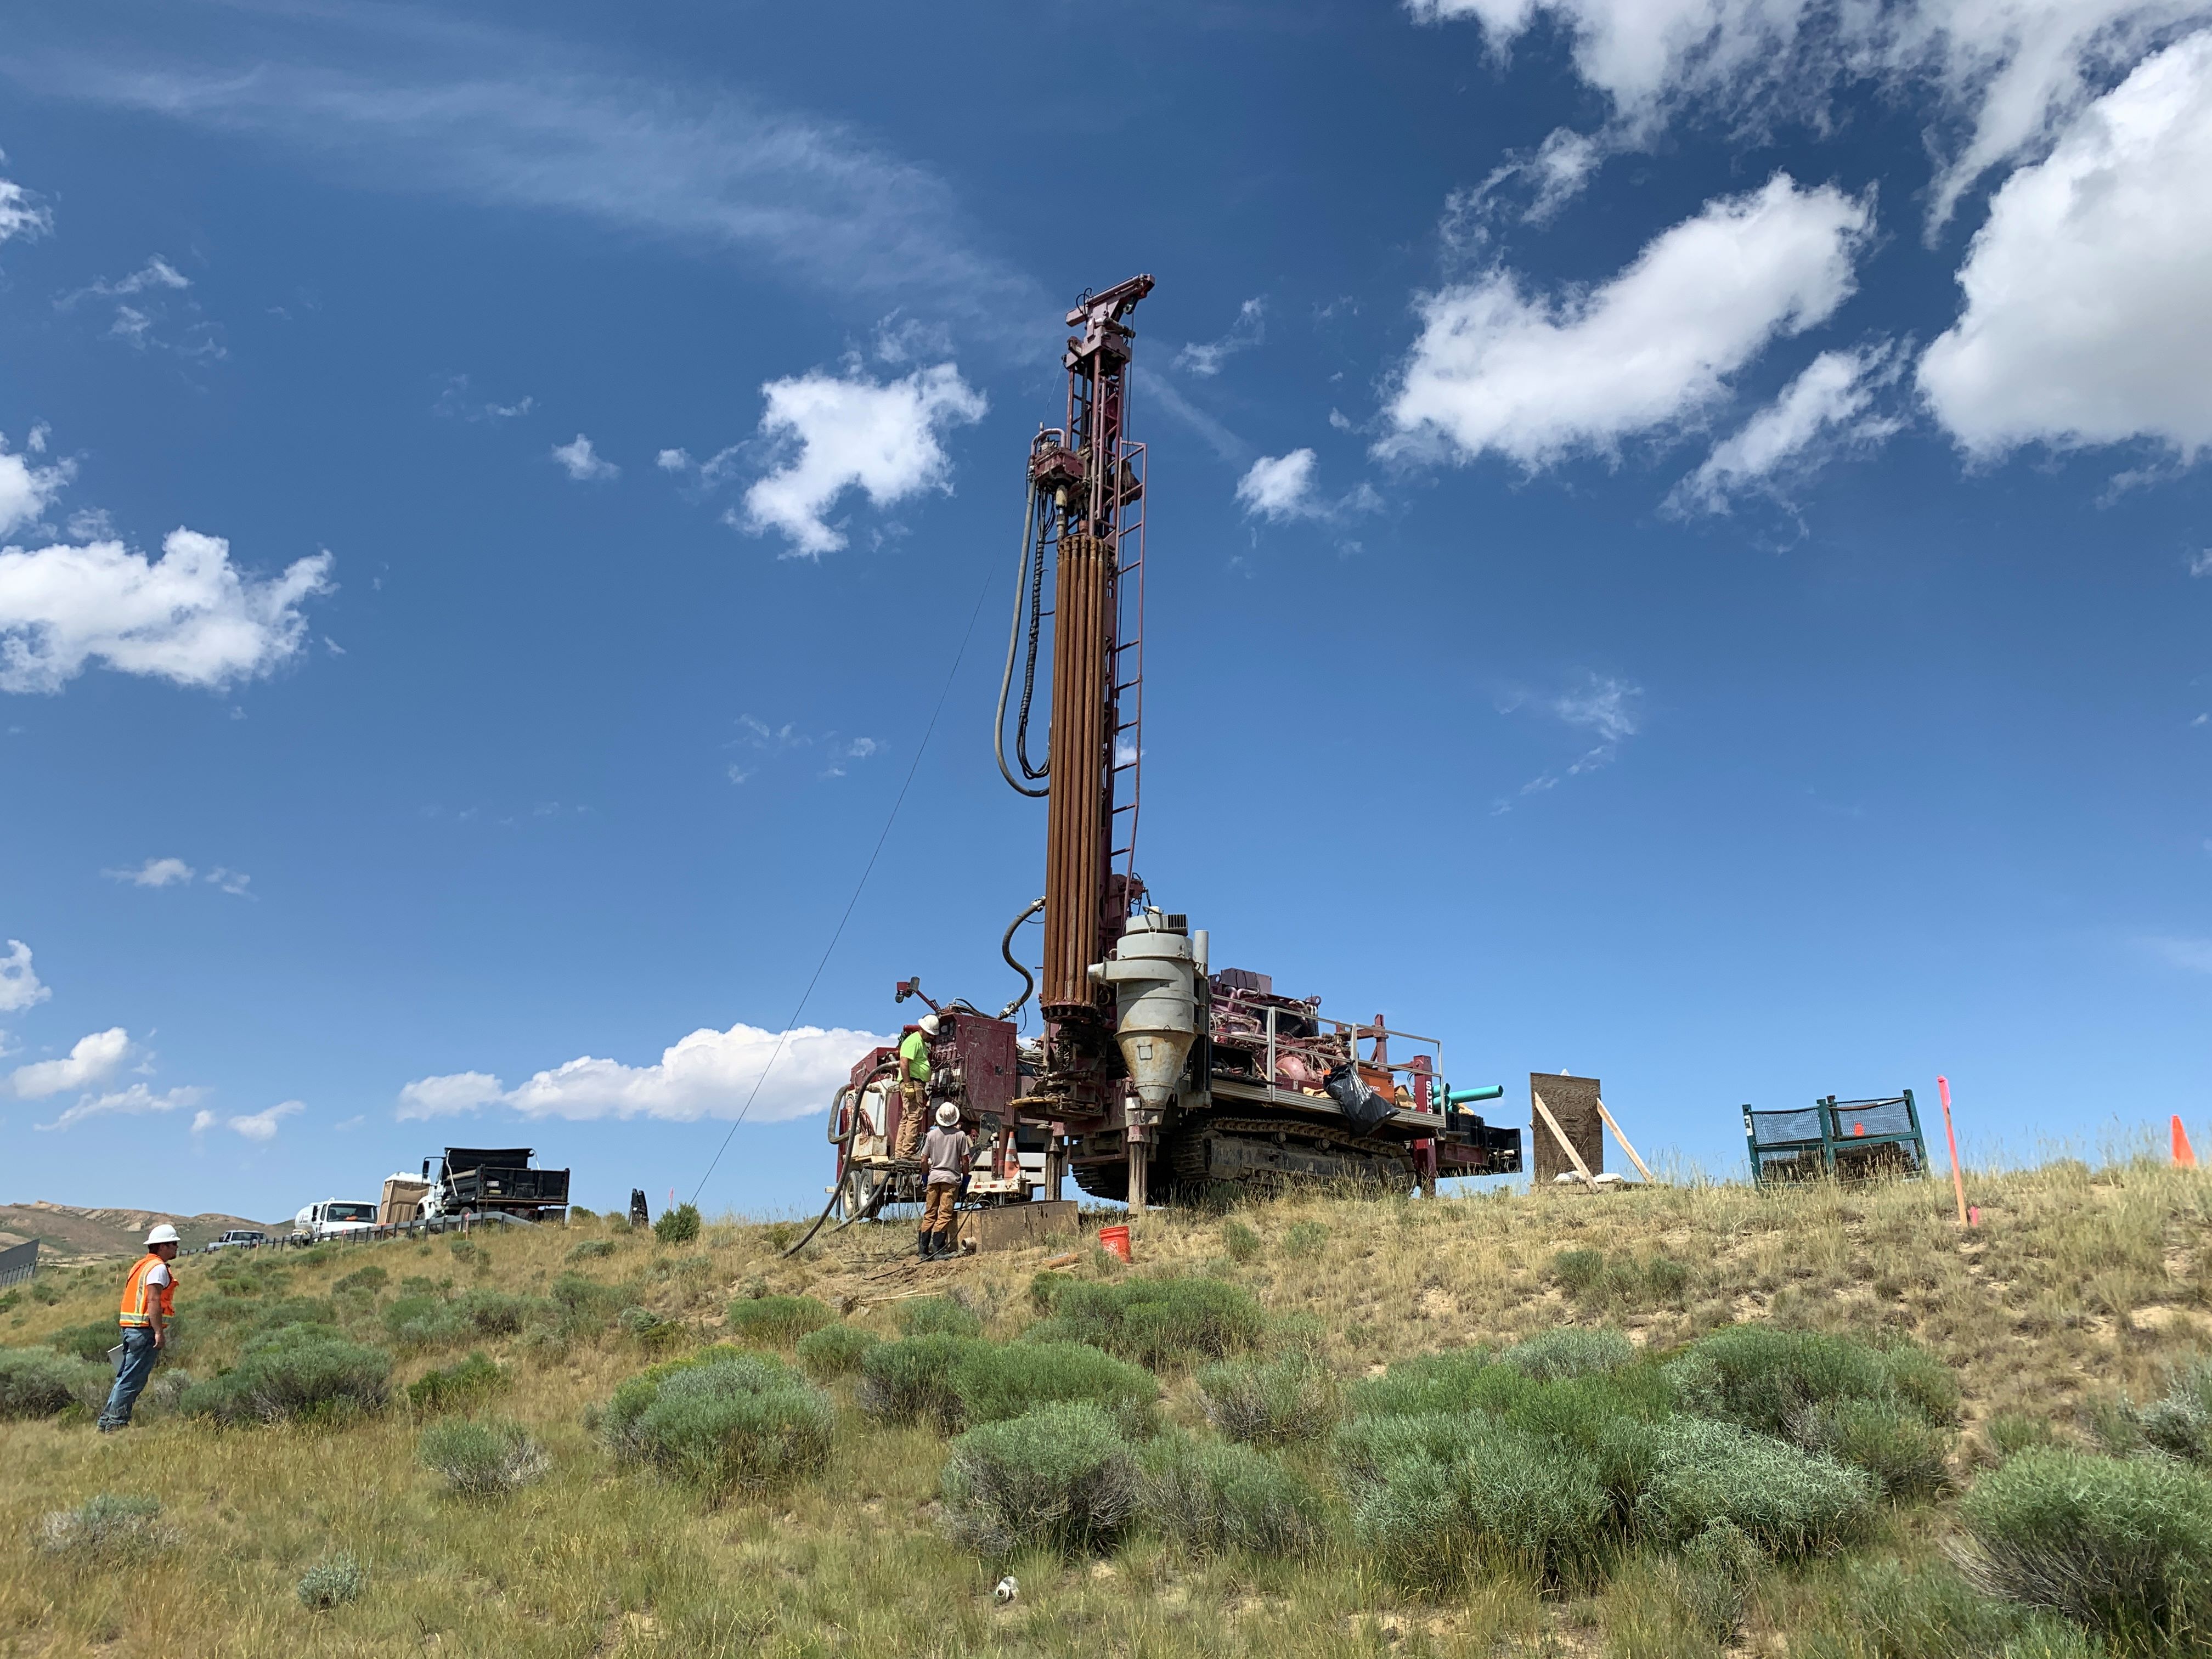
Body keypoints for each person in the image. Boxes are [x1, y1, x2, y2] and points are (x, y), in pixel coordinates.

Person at [98, 1223, 181, 1432]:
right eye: (173, 1244)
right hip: (144, 1331)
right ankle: (116, 1425)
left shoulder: (140, 1265)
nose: (176, 1248)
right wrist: (158, 1332)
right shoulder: (158, 1268)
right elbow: (153, 1301)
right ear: (162, 1246)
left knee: (124, 1378)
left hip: (131, 1328)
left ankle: (106, 1423)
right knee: (132, 1381)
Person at [919, 1101, 971, 1261]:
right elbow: (965, 1161)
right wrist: (965, 1180)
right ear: (955, 1119)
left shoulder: (931, 1135)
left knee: (930, 1213)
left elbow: (923, 1160)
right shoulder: (960, 1135)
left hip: (933, 1178)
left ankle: (923, 1251)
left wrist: (925, 1177)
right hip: (950, 1179)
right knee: (944, 1214)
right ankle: (938, 1251)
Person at [895, 1013, 939, 1161]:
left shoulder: (919, 1042)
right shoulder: (914, 1041)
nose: (932, 1037)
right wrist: (908, 1084)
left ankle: (901, 1151)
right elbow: (904, 1062)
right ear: (923, 1030)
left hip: (914, 1082)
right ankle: (908, 1152)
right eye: (930, 1034)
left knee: (907, 1117)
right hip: (913, 1082)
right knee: (915, 1115)